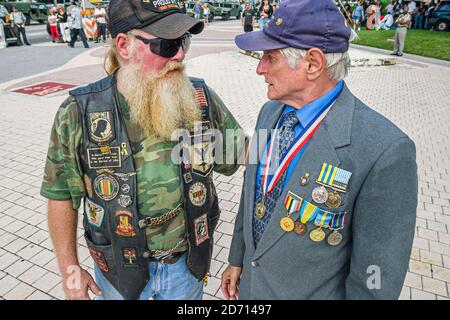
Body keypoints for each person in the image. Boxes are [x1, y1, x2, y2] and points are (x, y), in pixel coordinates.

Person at [41, 0, 246, 300]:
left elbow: (240, 155)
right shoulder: (79, 112)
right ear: (124, 45)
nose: (179, 54)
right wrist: (70, 268)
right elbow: (60, 196)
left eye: (184, 41)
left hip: (186, 268)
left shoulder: (200, 98)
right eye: (166, 44)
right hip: (117, 274)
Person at [221, 0, 417, 300]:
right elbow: (252, 194)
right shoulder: (269, 113)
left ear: (313, 63)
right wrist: (237, 257)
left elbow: (375, 278)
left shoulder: (385, 151)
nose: (260, 68)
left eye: (270, 57)